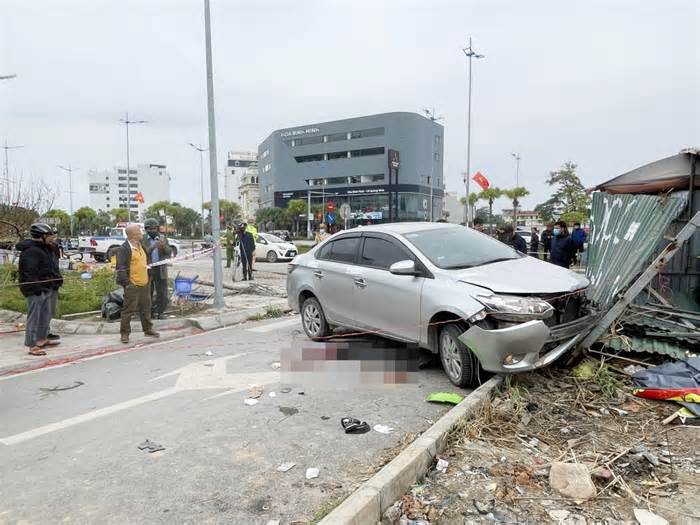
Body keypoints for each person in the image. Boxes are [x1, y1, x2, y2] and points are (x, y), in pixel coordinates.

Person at [17, 223, 63, 356]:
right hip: (35, 290)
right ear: (42, 236)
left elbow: (50, 267)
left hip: (47, 287)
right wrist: (37, 289)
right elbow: (28, 273)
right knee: (34, 317)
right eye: (49, 235)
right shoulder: (31, 251)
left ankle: (42, 339)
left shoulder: (45, 248)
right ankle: (32, 345)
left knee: (46, 315)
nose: (52, 238)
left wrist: (56, 281)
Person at [115, 224, 160, 344]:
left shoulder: (141, 246)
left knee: (146, 308)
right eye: (139, 231)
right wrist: (128, 284)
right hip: (132, 285)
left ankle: (148, 329)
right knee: (128, 310)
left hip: (145, 283)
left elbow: (147, 261)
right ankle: (125, 334)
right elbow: (120, 269)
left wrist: (149, 276)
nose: (141, 233)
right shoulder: (124, 249)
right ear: (133, 235)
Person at [143, 218, 172, 320]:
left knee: (162, 292)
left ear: (157, 228)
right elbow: (143, 253)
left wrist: (163, 247)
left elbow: (169, 253)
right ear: (146, 229)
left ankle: (161, 312)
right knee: (147, 293)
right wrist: (153, 246)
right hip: (147, 270)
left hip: (160, 269)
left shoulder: (163, 238)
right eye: (149, 229)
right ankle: (149, 313)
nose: (152, 231)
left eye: (154, 228)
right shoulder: (142, 239)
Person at [46, 229, 64, 339]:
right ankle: (41, 335)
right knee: (44, 311)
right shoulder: (40, 250)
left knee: (50, 310)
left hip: (54, 282)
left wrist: (58, 279)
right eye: (51, 236)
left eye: (54, 236)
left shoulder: (55, 246)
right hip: (45, 285)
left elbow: (55, 265)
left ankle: (46, 331)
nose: (53, 238)